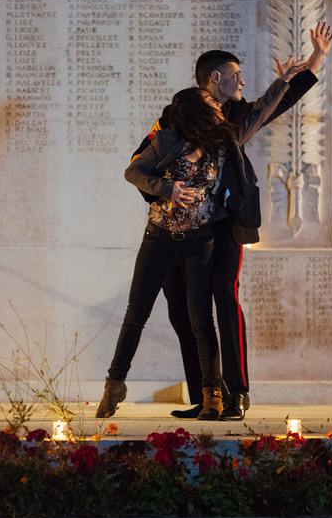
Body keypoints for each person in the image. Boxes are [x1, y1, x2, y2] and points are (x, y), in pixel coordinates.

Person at [135, 21, 332, 420]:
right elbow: (143, 163)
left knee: (223, 297)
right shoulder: (174, 116)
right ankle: (205, 393)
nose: (242, 81)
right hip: (182, 228)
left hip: (226, 225)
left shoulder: (239, 115)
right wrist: (168, 192)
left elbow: (277, 103)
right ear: (215, 79)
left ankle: (237, 392)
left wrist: (316, 59)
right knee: (181, 308)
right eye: (236, 75)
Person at [96, 88, 237, 420]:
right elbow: (132, 172)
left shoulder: (222, 144)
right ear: (195, 111)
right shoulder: (166, 141)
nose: (217, 104)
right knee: (136, 314)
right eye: (209, 101)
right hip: (158, 239)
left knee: (201, 319)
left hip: (200, 242)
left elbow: (258, 116)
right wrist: (167, 188)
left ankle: (212, 395)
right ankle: (114, 384)